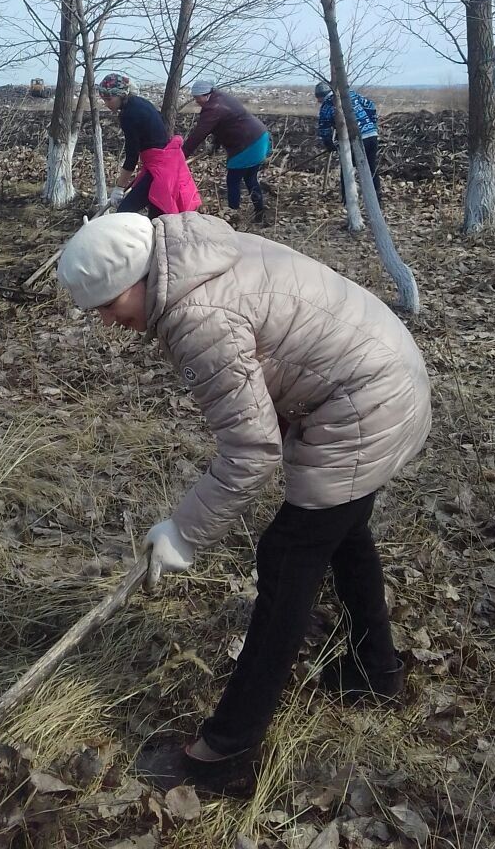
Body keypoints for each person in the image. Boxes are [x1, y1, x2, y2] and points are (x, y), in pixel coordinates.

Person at [57, 210, 432, 797]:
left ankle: (224, 752)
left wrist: (183, 532)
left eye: (107, 305)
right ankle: (374, 673)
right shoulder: (196, 255)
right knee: (343, 528)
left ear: (135, 277)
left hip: (368, 402)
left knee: (286, 557)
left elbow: (252, 448)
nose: (108, 323)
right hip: (384, 372)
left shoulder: (196, 314)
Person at [98, 73, 201, 219]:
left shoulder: (129, 115)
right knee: (157, 214)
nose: (107, 104)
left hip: (161, 168)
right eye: (104, 100)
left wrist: (119, 188)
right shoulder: (140, 102)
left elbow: (132, 157)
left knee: (124, 212)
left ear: (121, 94)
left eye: (109, 99)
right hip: (163, 163)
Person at [182, 81, 272, 226]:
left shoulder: (213, 108)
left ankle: (232, 216)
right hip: (260, 137)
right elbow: (226, 123)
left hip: (247, 144)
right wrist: (216, 144)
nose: (196, 101)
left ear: (205, 95)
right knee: (250, 179)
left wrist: (181, 155)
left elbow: (198, 135)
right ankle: (259, 213)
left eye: (197, 98)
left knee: (233, 181)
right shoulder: (220, 97)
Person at [315, 81, 381, 204]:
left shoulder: (327, 105)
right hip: (372, 136)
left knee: (347, 170)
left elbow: (324, 128)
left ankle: (349, 202)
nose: (319, 102)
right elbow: (370, 106)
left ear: (320, 96)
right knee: (371, 168)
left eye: (318, 99)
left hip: (353, 139)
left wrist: (328, 143)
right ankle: (377, 199)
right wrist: (372, 124)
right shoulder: (350, 94)